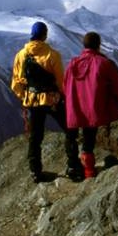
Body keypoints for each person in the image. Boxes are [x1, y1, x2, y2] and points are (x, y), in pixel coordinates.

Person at [63, 32, 118, 178]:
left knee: (88, 135)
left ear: (84, 45)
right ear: (98, 45)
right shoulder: (103, 62)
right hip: (101, 108)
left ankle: (89, 171)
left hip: (80, 110)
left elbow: (66, 87)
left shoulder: (72, 64)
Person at [10, 21, 83, 183]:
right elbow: (60, 81)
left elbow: (16, 82)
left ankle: (35, 171)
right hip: (52, 100)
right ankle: (73, 166)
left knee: (36, 137)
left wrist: (25, 97)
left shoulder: (21, 55)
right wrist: (62, 96)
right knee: (70, 129)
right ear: (45, 35)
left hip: (33, 101)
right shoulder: (52, 54)